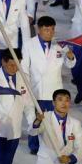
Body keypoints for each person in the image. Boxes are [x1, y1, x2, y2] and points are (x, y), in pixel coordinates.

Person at [22, 15, 76, 154]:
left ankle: (53, 145)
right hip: (36, 89)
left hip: (54, 89)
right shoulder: (29, 44)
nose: (50, 33)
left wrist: (70, 55)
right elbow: (24, 68)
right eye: (47, 30)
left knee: (53, 121)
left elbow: (70, 64)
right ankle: (34, 146)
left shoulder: (60, 44)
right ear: (39, 29)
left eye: (52, 30)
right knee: (36, 119)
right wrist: (25, 88)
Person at [30, 88, 82, 164]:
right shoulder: (44, 118)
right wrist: (38, 121)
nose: (64, 103)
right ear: (53, 103)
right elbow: (32, 132)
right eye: (60, 99)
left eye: (67, 100)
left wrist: (70, 159)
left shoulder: (75, 123)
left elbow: (81, 148)